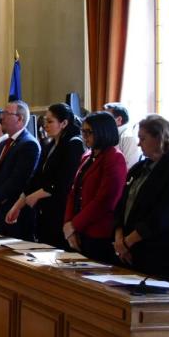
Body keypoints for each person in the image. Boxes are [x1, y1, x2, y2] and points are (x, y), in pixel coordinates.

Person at [112, 115, 169, 281]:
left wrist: (128, 242)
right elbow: (121, 204)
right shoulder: (138, 168)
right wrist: (119, 238)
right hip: (126, 248)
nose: (138, 143)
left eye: (143, 139)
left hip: (155, 250)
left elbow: (164, 213)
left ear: (159, 138)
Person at [5, 103, 85, 248]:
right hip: (45, 212)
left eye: (50, 121)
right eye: (44, 121)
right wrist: (18, 205)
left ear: (64, 123)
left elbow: (63, 182)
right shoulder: (50, 144)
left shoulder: (74, 144)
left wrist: (36, 196)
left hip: (60, 211)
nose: (45, 125)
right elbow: (37, 178)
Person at [62, 112, 127, 263]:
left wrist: (74, 224)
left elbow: (105, 200)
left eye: (89, 132)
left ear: (103, 131)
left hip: (98, 232)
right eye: (83, 131)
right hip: (78, 229)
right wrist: (68, 224)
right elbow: (73, 192)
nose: (84, 136)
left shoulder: (114, 158)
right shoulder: (87, 157)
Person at [0, 101, 41, 239]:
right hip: (0, 209)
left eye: (6, 114)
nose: (1, 117)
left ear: (20, 118)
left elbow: (18, 179)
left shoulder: (29, 144)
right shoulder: (3, 143)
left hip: (17, 212)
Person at [104, 102, 141, 168]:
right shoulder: (109, 133)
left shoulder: (128, 137)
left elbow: (128, 167)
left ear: (119, 120)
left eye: (107, 118)